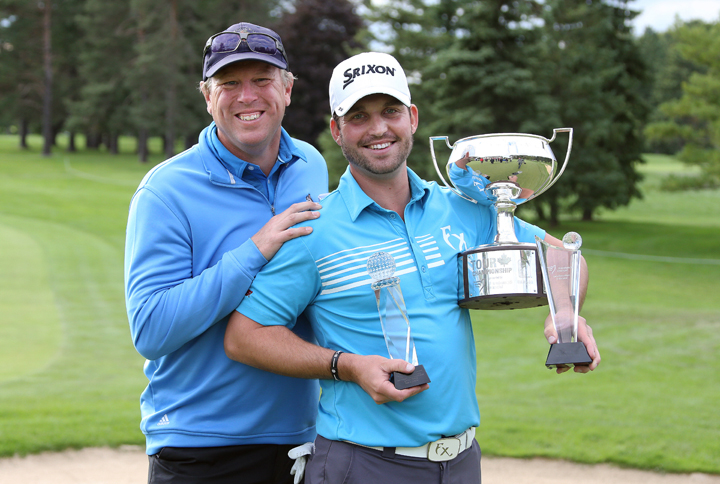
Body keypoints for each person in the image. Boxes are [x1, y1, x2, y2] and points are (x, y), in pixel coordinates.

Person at [224, 52, 600, 484]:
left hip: (461, 460)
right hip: (362, 464)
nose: (378, 128)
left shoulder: (465, 209)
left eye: (390, 111)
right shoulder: (314, 231)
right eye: (359, 116)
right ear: (337, 130)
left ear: (413, 118)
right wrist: (345, 365)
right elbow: (244, 337)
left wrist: (567, 314)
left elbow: (564, 258)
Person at [124, 21, 327, 484]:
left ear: (288, 89)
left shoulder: (311, 165)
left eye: (262, 80)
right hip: (200, 450)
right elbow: (151, 329)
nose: (247, 96)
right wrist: (253, 251)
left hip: (303, 441)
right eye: (229, 83)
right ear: (207, 96)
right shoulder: (165, 191)